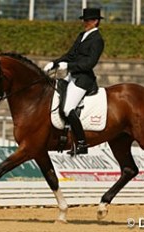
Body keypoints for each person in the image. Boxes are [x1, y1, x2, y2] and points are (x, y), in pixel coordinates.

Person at [44, 8, 105, 155]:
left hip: (84, 79)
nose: (85, 23)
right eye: (84, 20)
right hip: (71, 75)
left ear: (95, 21)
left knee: (67, 108)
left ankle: (82, 143)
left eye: (88, 20)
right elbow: (70, 55)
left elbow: (90, 63)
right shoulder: (82, 35)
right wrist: (55, 63)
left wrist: (69, 66)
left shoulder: (97, 40)